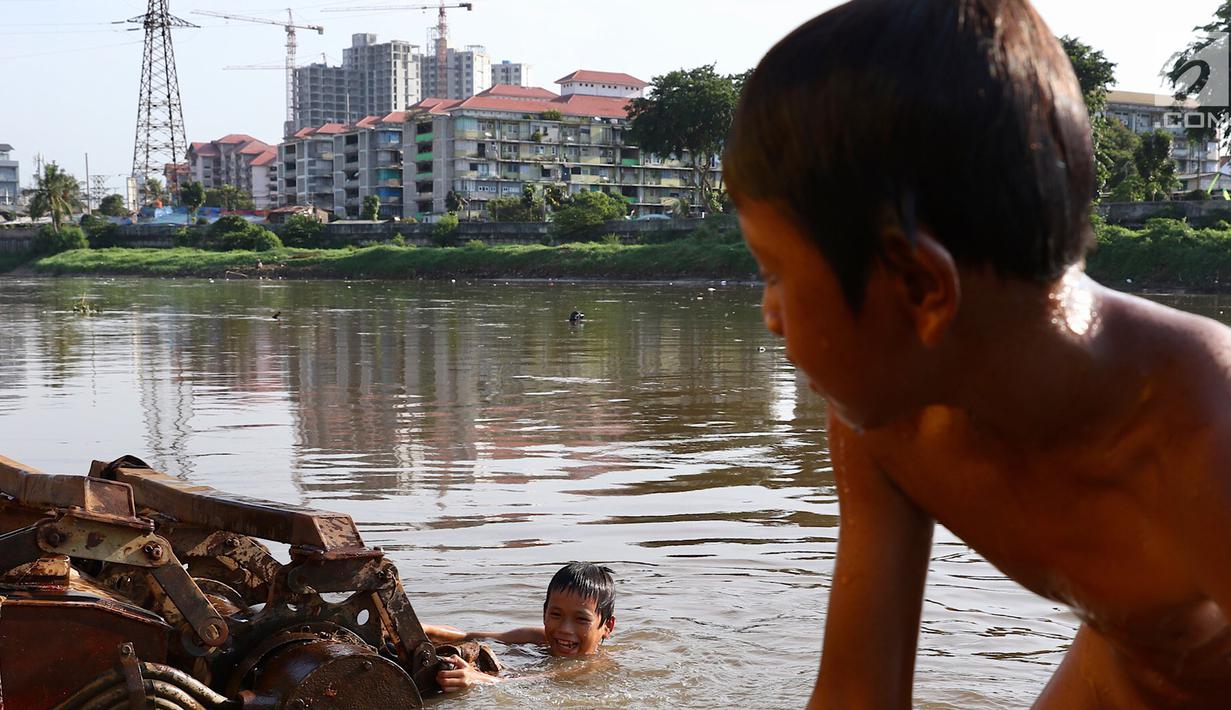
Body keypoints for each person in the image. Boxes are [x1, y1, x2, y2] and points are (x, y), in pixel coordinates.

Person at [725, 0, 1231, 707]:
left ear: (920, 286)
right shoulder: (887, 419)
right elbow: (854, 693)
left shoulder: (1207, 433)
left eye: (773, 273)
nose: (769, 316)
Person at [427, 561, 617, 692]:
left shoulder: (591, 664)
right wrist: (425, 629)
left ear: (607, 627)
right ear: (544, 614)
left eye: (581, 619)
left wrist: (476, 678)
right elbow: (469, 635)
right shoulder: (536, 637)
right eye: (556, 615)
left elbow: (537, 679)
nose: (565, 629)